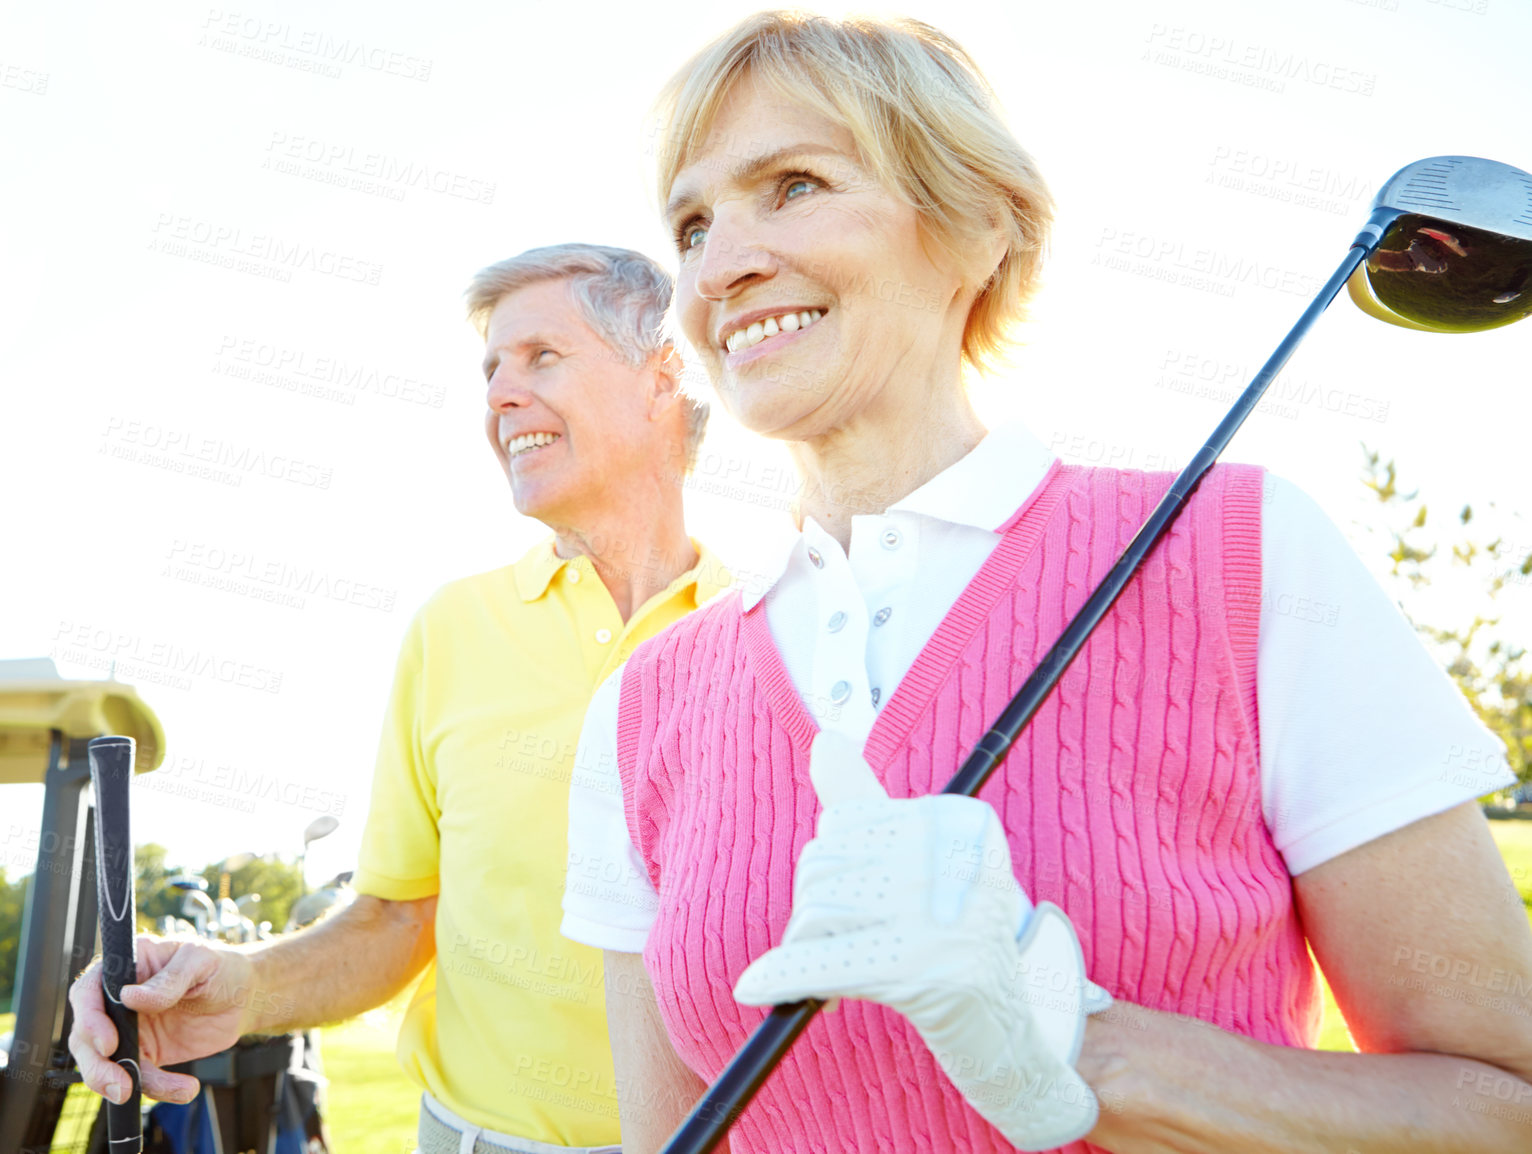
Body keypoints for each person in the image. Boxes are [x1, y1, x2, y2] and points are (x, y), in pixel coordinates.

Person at [560, 12, 1532, 1153]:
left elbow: (1498, 1102)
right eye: (691, 223)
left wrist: (1082, 1042)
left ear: (977, 226)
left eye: (794, 185)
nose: (720, 267)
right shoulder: (641, 707)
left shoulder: (1241, 554)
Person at [69, 243, 727, 1153]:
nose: (500, 395)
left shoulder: (767, 627)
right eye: (491, 369)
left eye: (542, 358)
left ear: (662, 381)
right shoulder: (452, 630)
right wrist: (240, 986)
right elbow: (398, 917)